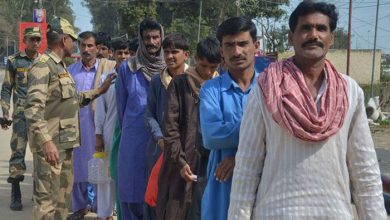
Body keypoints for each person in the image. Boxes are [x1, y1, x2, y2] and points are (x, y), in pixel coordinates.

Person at [228, 1, 387, 219]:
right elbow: (247, 167)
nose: (314, 35)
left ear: (331, 38)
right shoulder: (266, 89)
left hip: (334, 213)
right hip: (276, 213)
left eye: (321, 28)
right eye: (305, 28)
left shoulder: (350, 92)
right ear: (291, 37)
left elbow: (364, 169)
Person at [25, 17, 115, 220]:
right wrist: (46, 142)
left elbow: (73, 99)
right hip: (51, 146)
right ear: (64, 40)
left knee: (62, 201)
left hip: (64, 146)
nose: (75, 44)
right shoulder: (43, 66)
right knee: (46, 201)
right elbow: (32, 109)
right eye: (73, 39)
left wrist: (100, 90)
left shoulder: (61, 67)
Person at [199, 17, 269, 220]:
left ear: (255, 45)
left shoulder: (270, 87)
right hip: (222, 187)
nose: (237, 51)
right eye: (229, 45)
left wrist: (240, 158)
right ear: (221, 50)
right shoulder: (211, 89)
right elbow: (211, 137)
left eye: (243, 43)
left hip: (264, 183)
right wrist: (262, 129)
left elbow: (280, 135)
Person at [156, 37, 221, 220]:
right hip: (180, 162)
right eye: (203, 65)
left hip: (210, 163)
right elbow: (170, 127)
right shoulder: (179, 84)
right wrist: (180, 161)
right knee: (177, 209)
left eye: (213, 67)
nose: (208, 72)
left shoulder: (220, 85)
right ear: (195, 58)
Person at [116, 19, 165, 220]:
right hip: (134, 139)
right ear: (141, 40)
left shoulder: (169, 69)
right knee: (132, 192)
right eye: (147, 38)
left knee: (159, 191)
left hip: (161, 141)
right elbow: (121, 109)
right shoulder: (128, 69)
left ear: (162, 38)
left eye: (155, 37)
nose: (152, 42)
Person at [67, 31, 116, 217]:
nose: (86, 49)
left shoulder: (107, 71)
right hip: (78, 128)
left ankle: (101, 208)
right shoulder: (71, 71)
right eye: (83, 45)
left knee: (100, 168)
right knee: (78, 169)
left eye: (90, 46)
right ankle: (79, 207)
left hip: (99, 129)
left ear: (97, 48)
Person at [144, 32, 190, 219]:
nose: (170, 56)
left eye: (175, 52)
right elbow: (149, 114)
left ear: (186, 54)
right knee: (159, 195)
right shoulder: (157, 80)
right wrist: (160, 138)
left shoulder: (193, 79)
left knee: (185, 197)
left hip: (186, 148)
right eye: (167, 52)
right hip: (160, 148)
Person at [0, 26, 42, 211]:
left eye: (38, 39)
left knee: (40, 155)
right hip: (20, 117)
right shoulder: (14, 61)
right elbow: (6, 88)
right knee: (17, 154)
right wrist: (5, 113)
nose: (36, 43)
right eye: (32, 39)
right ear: (25, 40)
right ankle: (16, 193)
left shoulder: (45, 62)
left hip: (41, 117)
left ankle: (39, 193)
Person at [94, 38, 131, 220]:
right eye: (119, 53)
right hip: (109, 134)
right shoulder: (105, 79)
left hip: (129, 134)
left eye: (126, 52)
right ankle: (103, 214)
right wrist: (98, 135)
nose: (123, 56)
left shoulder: (136, 77)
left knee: (122, 174)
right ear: (112, 54)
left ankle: (119, 211)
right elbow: (100, 111)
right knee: (106, 177)